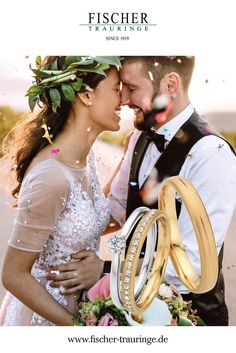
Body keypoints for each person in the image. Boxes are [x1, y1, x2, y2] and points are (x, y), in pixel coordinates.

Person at [49, 56, 236, 326]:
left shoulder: (212, 155)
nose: (123, 99)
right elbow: (116, 210)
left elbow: (192, 267)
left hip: (190, 321)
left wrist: (104, 269)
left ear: (171, 84)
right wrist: (55, 228)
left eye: (132, 88)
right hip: (128, 311)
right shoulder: (139, 136)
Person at [0, 55, 122, 326]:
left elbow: (80, 222)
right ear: (87, 95)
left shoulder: (84, 160)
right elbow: (12, 275)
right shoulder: (52, 176)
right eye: (116, 88)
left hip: (81, 305)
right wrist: (77, 329)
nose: (123, 99)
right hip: (48, 319)